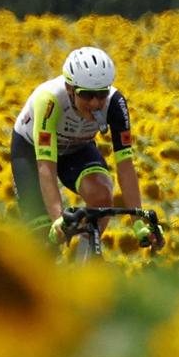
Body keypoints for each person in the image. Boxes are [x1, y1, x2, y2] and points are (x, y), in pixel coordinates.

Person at [9, 46, 148, 255]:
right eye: (87, 95)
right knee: (43, 242)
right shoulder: (49, 101)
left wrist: (139, 222)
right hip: (31, 151)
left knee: (101, 198)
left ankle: (80, 263)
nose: (95, 103)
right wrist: (59, 221)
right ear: (70, 89)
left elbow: (126, 166)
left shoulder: (116, 103)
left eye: (101, 95)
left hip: (77, 148)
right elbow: (46, 167)